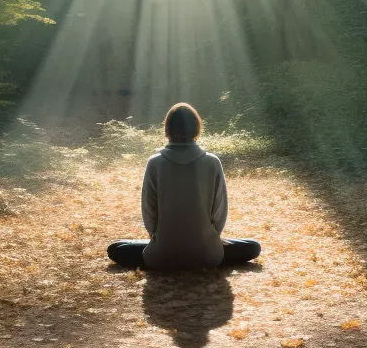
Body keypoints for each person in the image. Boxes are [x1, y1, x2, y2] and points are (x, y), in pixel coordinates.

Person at [106, 102, 262, 270]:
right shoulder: (212, 162)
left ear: (167, 130)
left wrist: (156, 237)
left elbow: (148, 211)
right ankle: (198, 252)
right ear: (196, 129)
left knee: (117, 249)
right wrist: (210, 239)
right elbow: (220, 211)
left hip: (162, 255)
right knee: (252, 246)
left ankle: (171, 252)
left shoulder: (155, 163)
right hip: (207, 254)